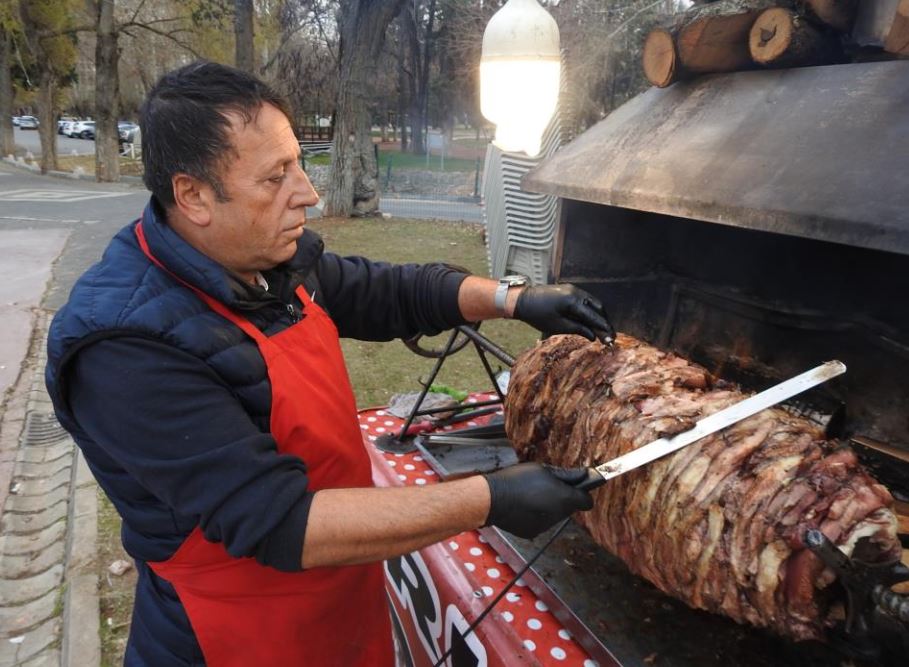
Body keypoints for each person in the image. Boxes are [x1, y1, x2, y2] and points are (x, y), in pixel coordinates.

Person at [45, 61, 614, 666]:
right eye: (275, 178)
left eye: (298, 164)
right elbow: (281, 521)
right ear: (193, 196)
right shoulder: (122, 346)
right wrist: (490, 500)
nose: (308, 194)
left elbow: (385, 292)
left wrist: (514, 299)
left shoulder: (269, 261)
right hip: (235, 637)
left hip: (338, 601)